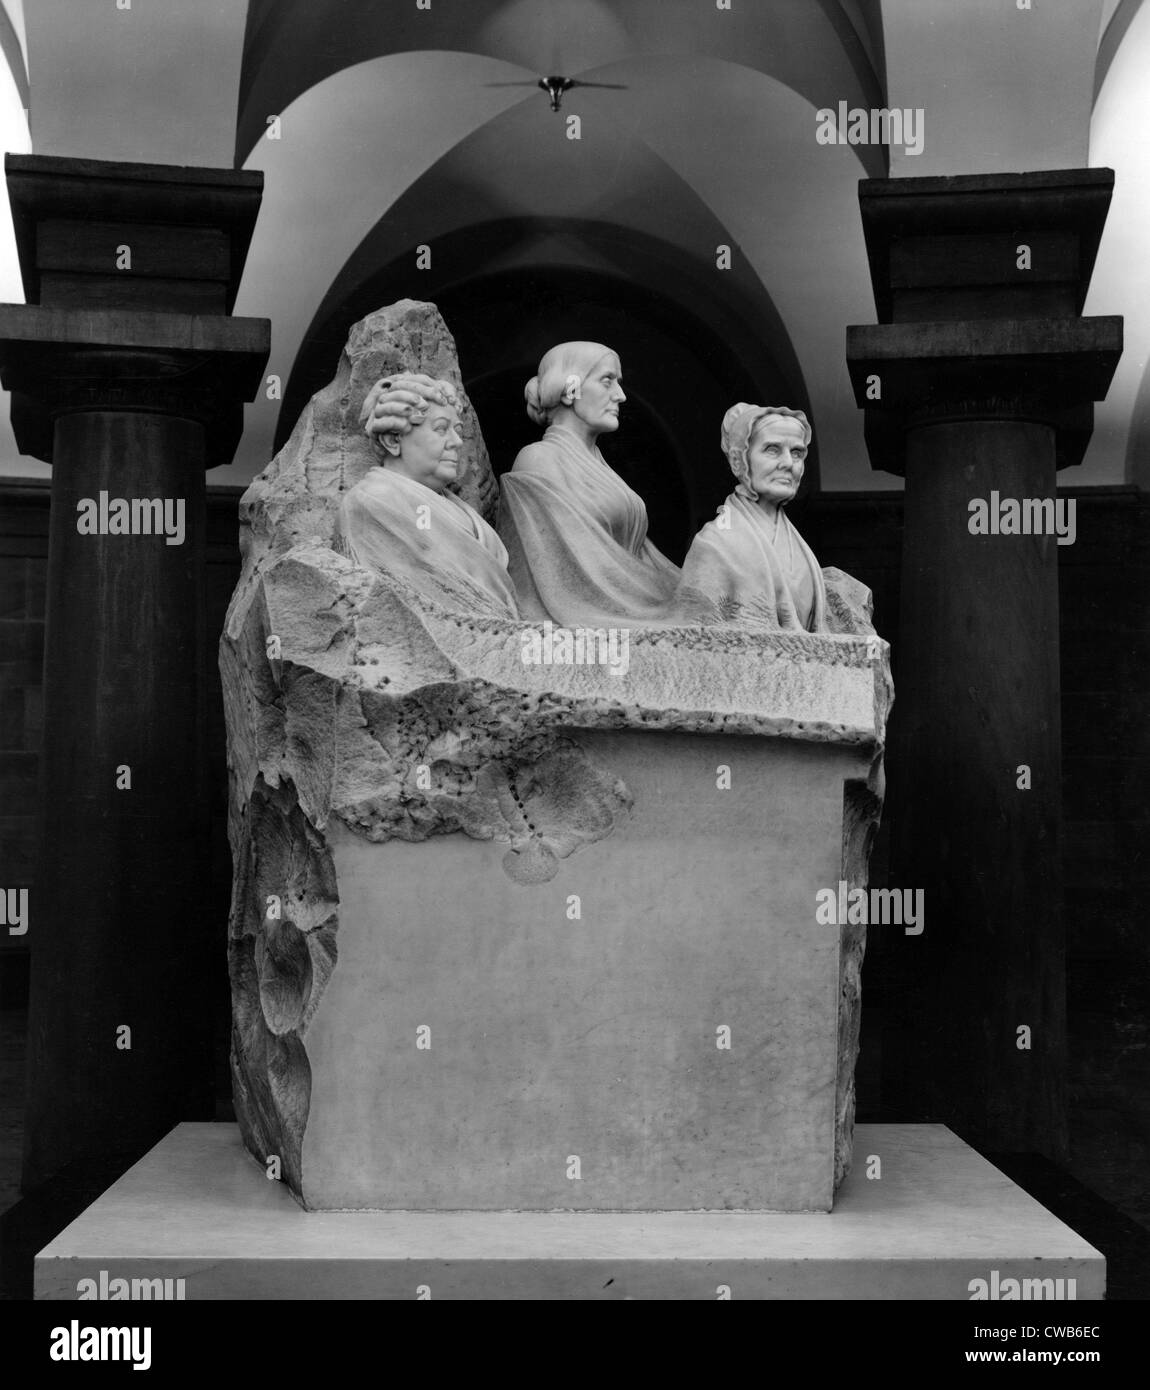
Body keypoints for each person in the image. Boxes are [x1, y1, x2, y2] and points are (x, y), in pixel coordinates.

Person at [498, 342, 681, 625]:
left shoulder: (600, 465)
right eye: (607, 381)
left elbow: (637, 556)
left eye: (618, 383)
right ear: (571, 389)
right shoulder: (539, 459)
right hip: (589, 619)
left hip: (631, 608)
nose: (620, 396)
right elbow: (561, 577)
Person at [346, 373, 519, 617]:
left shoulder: (459, 508)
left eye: (457, 430)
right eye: (441, 429)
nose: (457, 441)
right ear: (393, 440)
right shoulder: (374, 502)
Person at [675, 404, 829, 631]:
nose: (788, 463)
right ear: (739, 461)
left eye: (797, 453)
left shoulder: (799, 546)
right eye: (773, 450)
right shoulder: (714, 545)